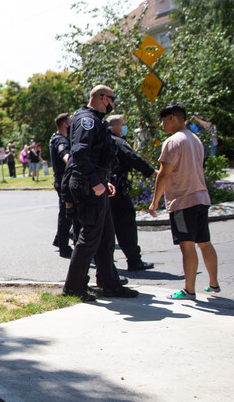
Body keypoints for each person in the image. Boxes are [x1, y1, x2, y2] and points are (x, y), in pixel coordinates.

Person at [61, 85, 139, 301]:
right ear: (103, 98)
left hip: (96, 184)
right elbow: (79, 153)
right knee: (89, 238)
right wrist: (96, 182)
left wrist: (104, 181)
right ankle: (73, 287)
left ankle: (110, 284)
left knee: (105, 237)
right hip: (87, 186)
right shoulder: (88, 120)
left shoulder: (94, 119)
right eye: (113, 99)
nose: (114, 103)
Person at [149, 103, 219, 300]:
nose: (162, 125)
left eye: (164, 120)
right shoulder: (195, 139)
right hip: (201, 197)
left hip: (182, 201)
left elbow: (164, 174)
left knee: (187, 245)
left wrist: (154, 202)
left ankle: (189, 290)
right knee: (204, 242)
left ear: (172, 118)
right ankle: (213, 284)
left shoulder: (173, 141)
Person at [106, 114, 157, 271]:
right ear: (115, 127)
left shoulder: (102, 140)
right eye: (123, 124)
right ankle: (134, 261)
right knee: (126, 225)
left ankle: (105, 266)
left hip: (104, 188)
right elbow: (133, 158)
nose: (124, 127)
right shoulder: (118, 142)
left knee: (107, 227)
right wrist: (151, 172)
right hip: (118, 189)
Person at [50, 113, 73, 258]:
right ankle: (64, 247)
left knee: (65, 213)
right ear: (64, 124)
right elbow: (64, 154)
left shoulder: (57, 138)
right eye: (70, 122)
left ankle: (60, 240)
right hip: (64, 180)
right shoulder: (59, 140)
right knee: (66, 214)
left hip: (62, 180)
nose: (72, 125)